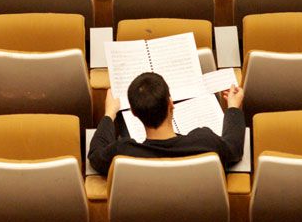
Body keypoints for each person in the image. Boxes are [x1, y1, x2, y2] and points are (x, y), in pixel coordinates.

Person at [88, 72, 246, 175]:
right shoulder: (205, 142)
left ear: (134, 113)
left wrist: (109, 113)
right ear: (171, 104)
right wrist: (233, 107)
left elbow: (95, 155)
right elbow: (234, 148)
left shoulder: (123, 153)